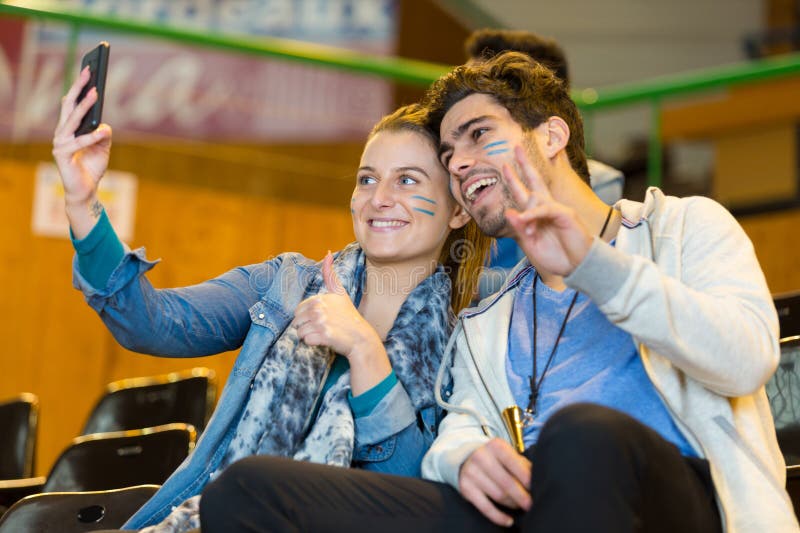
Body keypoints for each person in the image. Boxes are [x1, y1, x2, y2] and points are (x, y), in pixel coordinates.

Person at [200, 52, 798, 533]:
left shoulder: (683, 227)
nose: (458, 163)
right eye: (448, 152)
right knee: (251, 490)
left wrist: (594, 266)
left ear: (553, 135)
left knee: (581, 435)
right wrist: (463, 456)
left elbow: (746, 361)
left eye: (477, 134)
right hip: (527, 509)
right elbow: (461, 427)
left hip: (676, 500)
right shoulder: (493, 310)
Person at [52, 65, 491, 531]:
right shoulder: (285, 284)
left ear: (459, 210)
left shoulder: (473, 339)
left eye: (407, 181)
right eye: (366, 179)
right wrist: (83, 201)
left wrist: (364, 351)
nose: (378, 198)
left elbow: (407, 501)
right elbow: (152, 322)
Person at [465, 29, 625, 299]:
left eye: (482, 122)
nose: (461, 105)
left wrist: (446, 281)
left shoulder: (597, 185)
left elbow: (561, 279)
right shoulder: (462, 176)